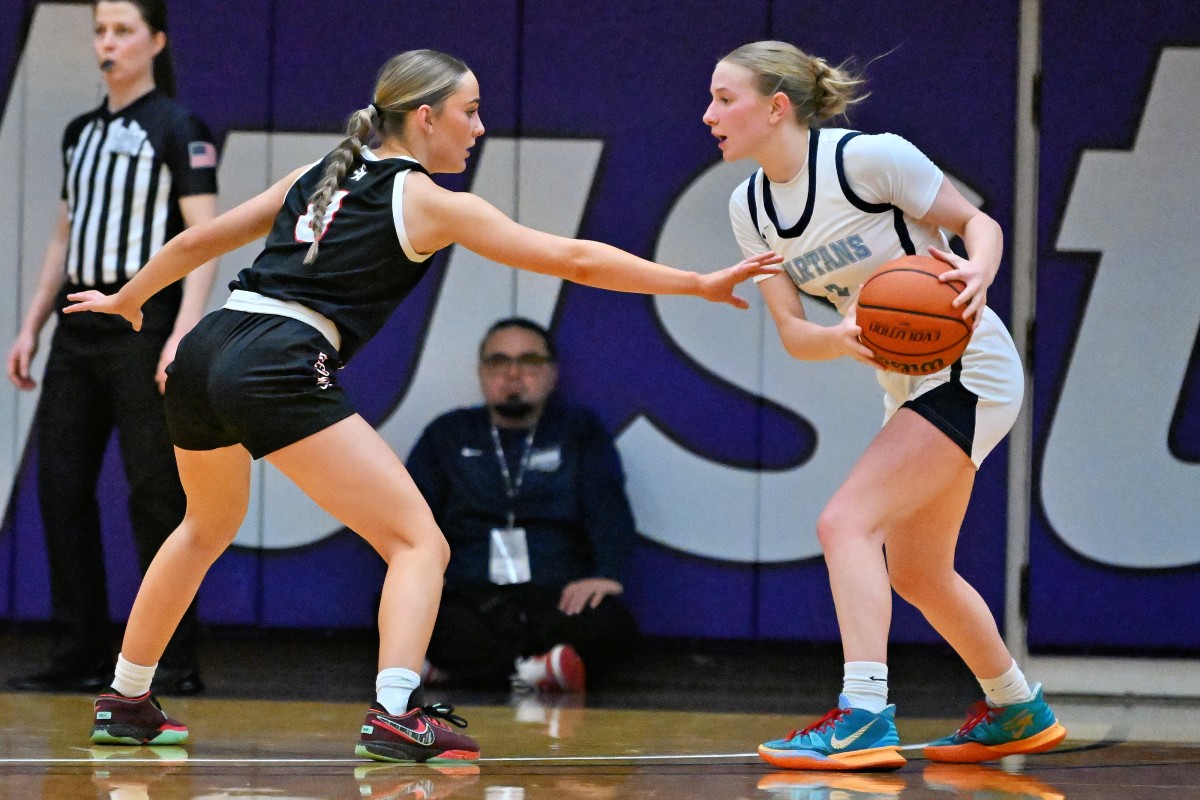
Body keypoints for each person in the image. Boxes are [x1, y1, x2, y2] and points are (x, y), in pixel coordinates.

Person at [65, 49, 781, 762]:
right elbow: (576, 261)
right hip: (275, 357)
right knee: (419, 542)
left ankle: (127, 700)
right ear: (424, 116)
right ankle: (397, 714)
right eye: (469, 113)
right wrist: (695, 282)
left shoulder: (318, 173)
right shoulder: (428, 200)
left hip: (208, 345)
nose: (478, 129)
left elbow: (198, 238)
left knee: (202, 526)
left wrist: (129, 298)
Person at [703, 40, 1066, 771]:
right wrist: (839, 336)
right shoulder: (750, 208)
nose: (708, 113)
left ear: (777, 107)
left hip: (971, 367)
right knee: (919, 572)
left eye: (723, 97)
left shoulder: (867, 160)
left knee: (845, 522)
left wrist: (977, 276)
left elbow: (979, 225)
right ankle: (1016, 707)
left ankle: (865, 714)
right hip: (909, 385)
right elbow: (796, 334)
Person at [5, 0, 217, 696]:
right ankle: (78, 651)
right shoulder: (80, 133)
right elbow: (64, 238)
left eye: (123, 29)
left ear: (155, 40)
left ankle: (171, 661)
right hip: (78, 324)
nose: (108, 42)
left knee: (157, 496)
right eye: (100, 30)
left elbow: (202, 242)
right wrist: (32, 324)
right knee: (60, 488)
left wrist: (182, 332)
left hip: (143, 324)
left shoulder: (179, 128)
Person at [408, 317, 640, 693]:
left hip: (555, 595)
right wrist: (426, 579)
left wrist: (607, 574)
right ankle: (536, 672)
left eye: (530, 361)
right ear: (482, 372)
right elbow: (410, 520)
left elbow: (608, 510)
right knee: (406, 612)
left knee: (611, 621)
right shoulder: (447, 434)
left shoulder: (580, 432)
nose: (514, 373)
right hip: (469, 592)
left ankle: (461, 671)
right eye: (498, 361)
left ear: (552, 372)